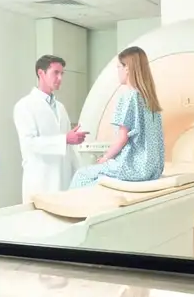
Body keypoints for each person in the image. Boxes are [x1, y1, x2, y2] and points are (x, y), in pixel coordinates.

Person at [69, 46, 164, 189]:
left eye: (119, 67)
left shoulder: (128, 97)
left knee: (82, 175)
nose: (117, 71)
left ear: (127, 68)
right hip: (152, 169)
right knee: (97, 181)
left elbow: (122, 139)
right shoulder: (150, 100)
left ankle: (74, 209)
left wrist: (106, 158)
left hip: (132, 168)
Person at [13, 55, 89, 202]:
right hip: (40, 182)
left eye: (62, 74)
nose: (60, 78)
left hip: (63, 181)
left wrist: (81, 174)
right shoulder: (24, 106)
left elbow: (69, 149)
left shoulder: (61, 108)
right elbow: (29, 144)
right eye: (56, 73)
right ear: (41, 73)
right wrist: (65, 139)